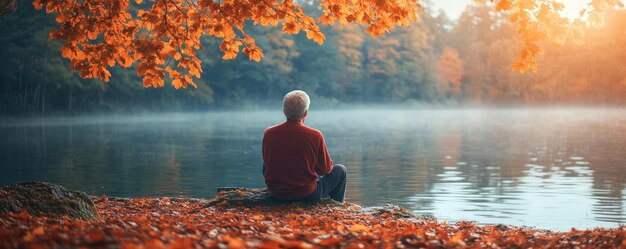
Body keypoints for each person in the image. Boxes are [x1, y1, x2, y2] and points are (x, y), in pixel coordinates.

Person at [262, 90, 347, 202]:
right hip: (305, 194)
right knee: (340, 170)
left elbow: (267, 166)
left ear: (284, 111)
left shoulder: (269, 133)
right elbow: (325, 170)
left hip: (276, 193)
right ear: (305, 113)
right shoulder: (314, 135)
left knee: (265, 163)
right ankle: (337, 206)